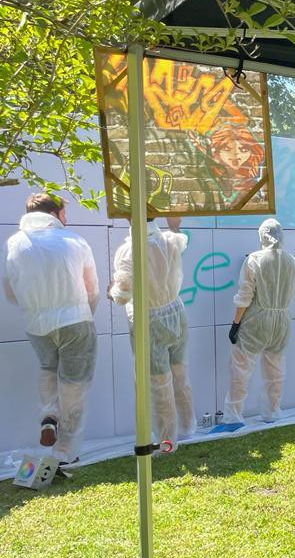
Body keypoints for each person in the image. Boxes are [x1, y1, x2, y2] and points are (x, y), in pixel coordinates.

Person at [3, 193, 99, 464]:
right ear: (55, 213)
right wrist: (85, 315)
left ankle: (49, 416)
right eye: (64, 213)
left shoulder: (15, 242)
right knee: (74, 384)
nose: (67, 219)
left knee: (48, 369)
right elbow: (91, 289)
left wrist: (34, 308)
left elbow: (10, 290)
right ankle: (66, 451)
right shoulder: (74, 241)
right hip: (75, 320)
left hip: (36, 325)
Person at [110, 216, 194, 449]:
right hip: (176, 312)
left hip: (150, 319)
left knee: (159, 383)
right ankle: (189, 427)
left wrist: (112, 291)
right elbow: (182, 239)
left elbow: (122, 296)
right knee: (180, 373)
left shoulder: (128, 251)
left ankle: (168, 442)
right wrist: (175, 224)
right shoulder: (170, 239)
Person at [223, 219, 295, 424]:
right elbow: (292, 288)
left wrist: (236, 324)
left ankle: (233, 417)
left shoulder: (254, 259)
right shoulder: (291, 260)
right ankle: (272, 413)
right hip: (282, 321)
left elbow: (244, 297)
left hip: (256, 320)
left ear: (262, 236)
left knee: (241, 368)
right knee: (275, 369)